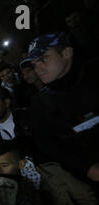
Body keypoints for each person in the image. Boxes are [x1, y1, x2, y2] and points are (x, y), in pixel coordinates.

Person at [21, 31, 99, 182]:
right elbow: (50, 146)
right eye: (34, 64)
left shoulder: (95, 74)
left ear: (67, 52)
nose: (38, 69)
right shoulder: (41, 104)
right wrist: (88, 168)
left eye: (43, 59)